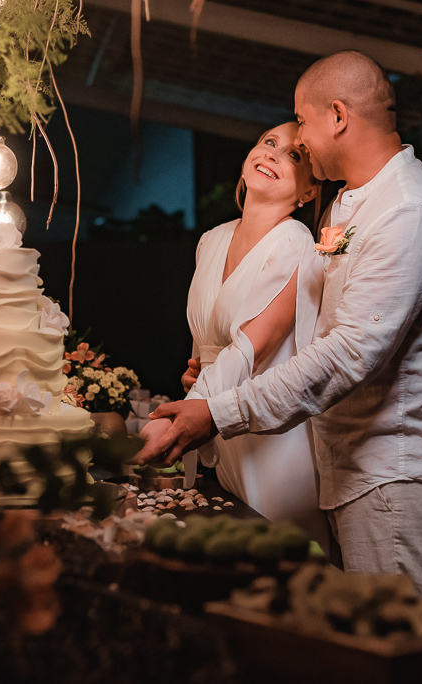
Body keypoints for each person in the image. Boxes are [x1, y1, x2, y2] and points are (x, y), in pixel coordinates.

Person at [137, 50, 422, 600]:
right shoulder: (350, 205)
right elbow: (315, 333)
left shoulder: (408, 211)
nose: (297, 136)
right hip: (349, 465)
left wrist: (218, 411)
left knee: (392, 640)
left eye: (301, 120)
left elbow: (349, 354)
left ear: (338, 116)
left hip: (398, 470)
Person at [141, 122, 328, 548]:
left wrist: (181, 415)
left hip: (269, 434)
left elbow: (251, 347)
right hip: (214, 421)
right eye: (268, 142)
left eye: (293, 155)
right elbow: (208, 343)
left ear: (308, 191)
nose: (273, 154)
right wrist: (196, 377)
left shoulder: (295, 243)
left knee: (276, 553)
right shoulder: (211, 240)